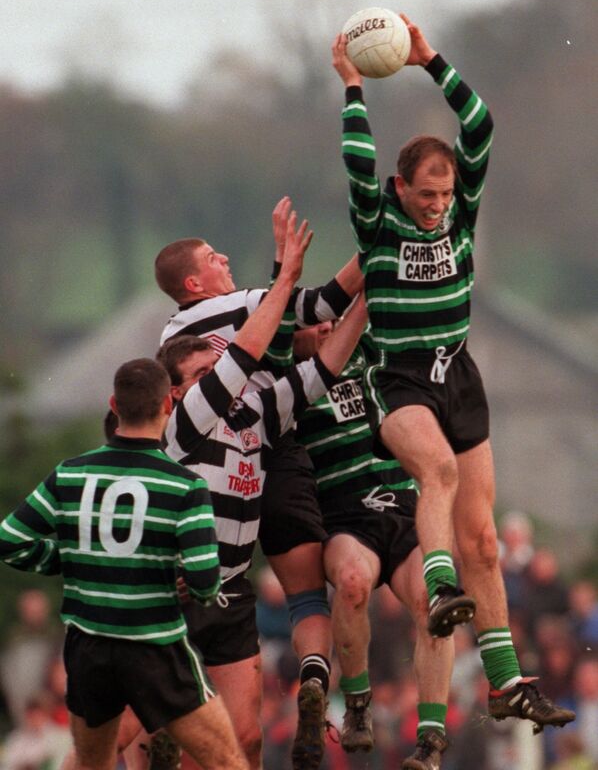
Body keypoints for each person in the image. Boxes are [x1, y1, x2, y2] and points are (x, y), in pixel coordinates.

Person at [331, 13, 575, 732]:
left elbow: (480, 124)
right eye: (425, 194)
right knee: (434, 472)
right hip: (401, 380)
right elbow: (355, 154)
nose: (438, 207)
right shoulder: (378, 221)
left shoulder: (461, 216)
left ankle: (505, 682)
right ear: (401, 187)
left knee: (485, 542)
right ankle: (439, 587)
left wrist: (430, 58)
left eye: (445, 194)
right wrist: (352, 85)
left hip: (458, 378)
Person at [154, 196, 363, 767]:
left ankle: (314, 683)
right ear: (195, 282)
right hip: (174, 583)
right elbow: (311, 307)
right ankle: (318, 669)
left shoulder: (244, 395)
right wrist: (376, 247)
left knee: (240, 740)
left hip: (234, 567)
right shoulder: (218, 327)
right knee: (133, 737)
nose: (225, 258)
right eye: (213, 257)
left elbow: (311, 365)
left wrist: (340, 318)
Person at [0, 358, 248, 770]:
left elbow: (9, 540)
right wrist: (190, 582)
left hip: (88, 648)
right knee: (227, 762)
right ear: (168, 405)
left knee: (90, 764)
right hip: (154, 647)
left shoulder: (70, 474)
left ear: (114, 405)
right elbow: (205, 583)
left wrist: (65, 561)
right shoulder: (185, 486)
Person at [294, 323, 454, 770]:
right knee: (350, 583)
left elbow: (383, 309)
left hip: (403, 509)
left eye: (333, 322)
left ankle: (431, 738)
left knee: (433, 602)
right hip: (345, 516)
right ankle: (358, 702)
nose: (328, 329)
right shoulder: (291, 379)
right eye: (315, 325)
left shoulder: (371, 354)